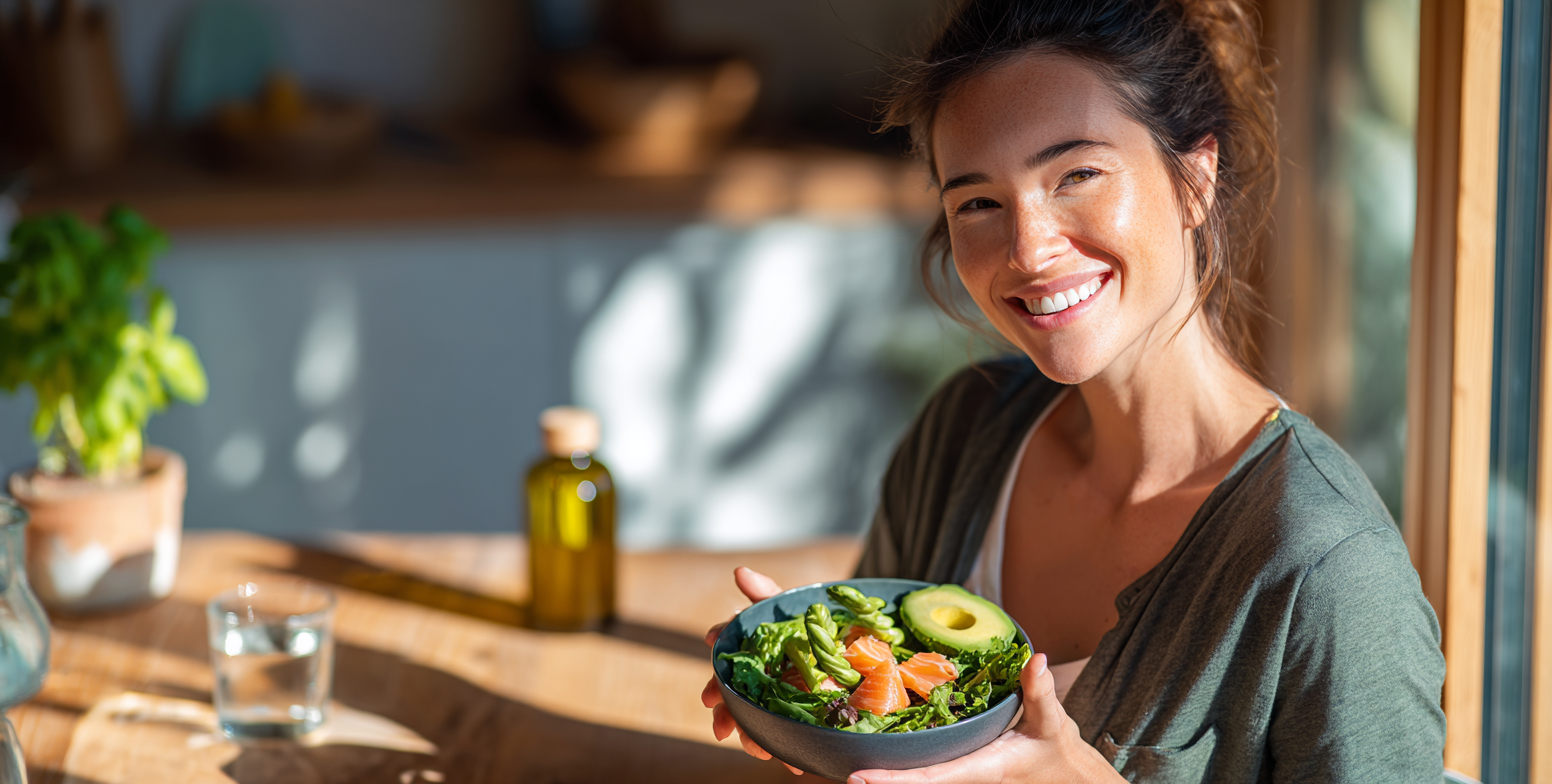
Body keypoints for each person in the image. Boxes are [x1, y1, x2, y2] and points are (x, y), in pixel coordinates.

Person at [701, 0, 1446, 781]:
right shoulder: (964, 430)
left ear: (1195, 177)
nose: (1029, 250)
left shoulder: (1329, 571)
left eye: (1078, 174)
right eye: (979, 202)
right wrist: (815, 700)